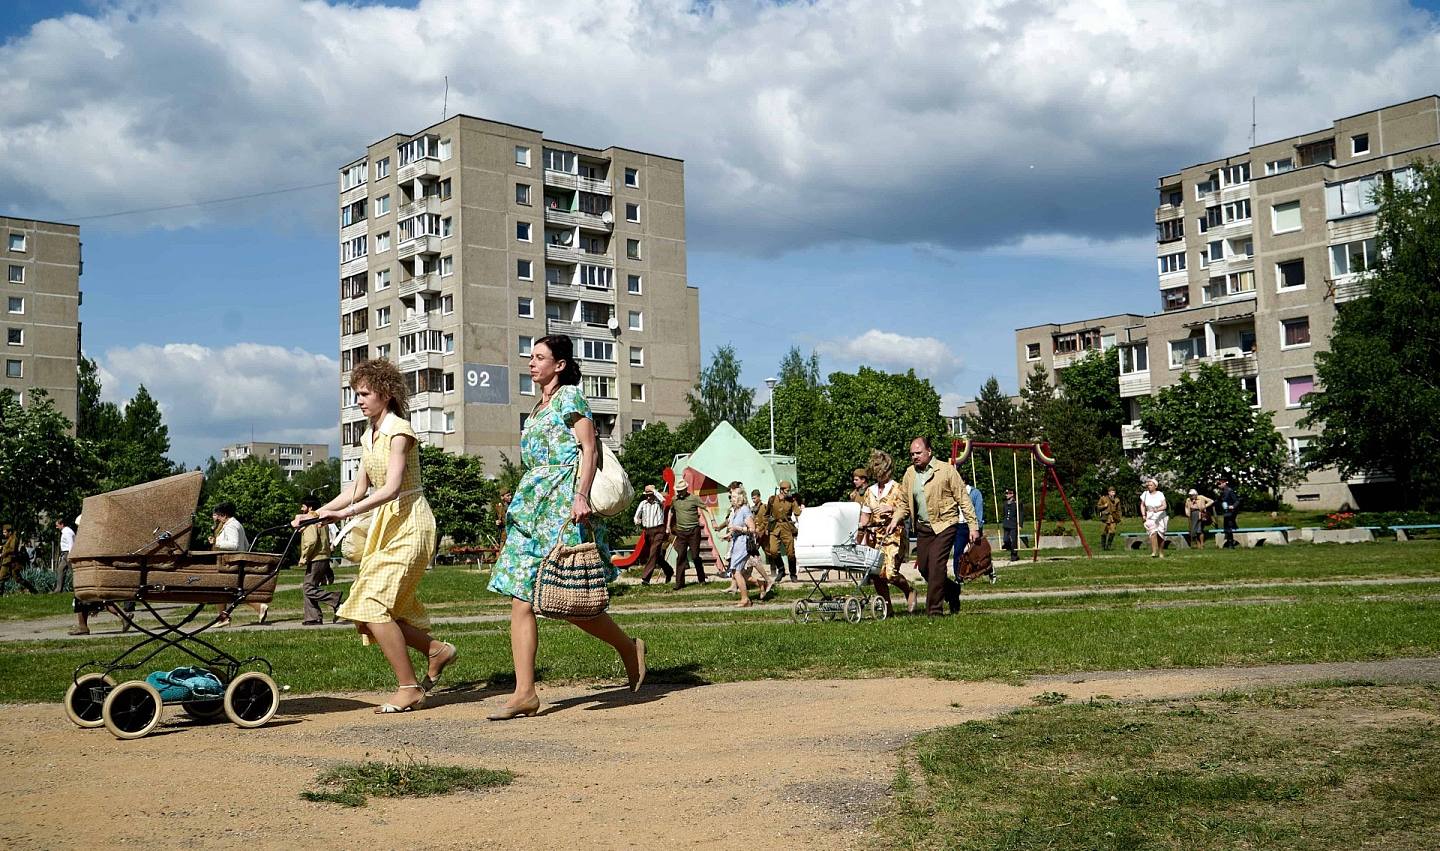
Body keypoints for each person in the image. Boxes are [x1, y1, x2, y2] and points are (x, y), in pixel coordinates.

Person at [487, 335, 645, 720]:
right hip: (533, 507)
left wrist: (581, 495)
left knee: (571, 602)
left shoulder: (570, 397)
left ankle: (627, 647)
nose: (531, 363)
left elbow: (589, 448)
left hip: (563, 505)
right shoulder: (537, 407)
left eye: (540, 357)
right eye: (531, 357)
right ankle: (525, 692)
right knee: (520, 598)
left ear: (559, 365)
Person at [312, 359, 457, 713]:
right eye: (355, 393)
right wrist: (316, 514)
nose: (358, 400)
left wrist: (343, 514)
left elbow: (391, 488)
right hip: (387, 526)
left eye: (364, 393)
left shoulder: (400, 431)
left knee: (374, 605)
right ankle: (437, 650)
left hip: (412, 524)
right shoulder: (368, 434)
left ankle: (409, 688)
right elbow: (356, 489)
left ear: (386, 393)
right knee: (365, 613)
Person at [890, 437, 977, 617]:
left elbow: (964, 499)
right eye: (912, 454)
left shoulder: (946, 471)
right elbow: (904, 503)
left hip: (945, 524)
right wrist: (895, 519)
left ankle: (934, 611)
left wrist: (973, 526)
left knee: (936, 566)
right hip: (923, 528)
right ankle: (951, 589)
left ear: (929, 451)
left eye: (918, 453)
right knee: (924, 568)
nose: (915, 457)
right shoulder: (910, 474)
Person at [858, 450, 917, 614]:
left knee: (890, 573)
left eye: (882, 473)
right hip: (874, 536)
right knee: (877, 574)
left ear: (889, 471)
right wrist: (860, 530)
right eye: (877, 474)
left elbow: (908, 510)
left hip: (894, 535)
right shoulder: (869, 491)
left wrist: (891, 508)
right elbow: (865, 515)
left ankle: (909, 591)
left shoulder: (898, 488)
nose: (880, 477)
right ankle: (887, 608)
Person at [211, 502, 269, 627]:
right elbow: (246, 545)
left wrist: (217, 543)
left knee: (221, 589)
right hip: (235, 562)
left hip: (230, 563)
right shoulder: (236, 524)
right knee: (227, 590)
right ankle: (257, 608)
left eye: (219, 516)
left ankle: (225, 617)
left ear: (225, 515)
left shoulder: (231, 526)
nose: (218, 519)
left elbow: (234, 544)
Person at [295, 495, 343, 625]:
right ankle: (313, 617)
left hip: (316, 558)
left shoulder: (311, 520)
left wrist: (304, 557)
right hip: (323, 557)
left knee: (308, 588)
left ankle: (335, 599)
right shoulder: (321, 519)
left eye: (303, 506)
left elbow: (311, 541)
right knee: (309, 586)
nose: (301, 508)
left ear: (310, 507)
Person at [721, 489, 759, 607]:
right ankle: (762, 584)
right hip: (737, 543)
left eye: (733, 497)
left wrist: (738, 528)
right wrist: (729, 535)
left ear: (740, 498)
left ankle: (745, 599)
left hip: (743, 543)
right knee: (737, 571)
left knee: (736, 571)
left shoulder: (744, 510)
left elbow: (752, 529)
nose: (731, 499)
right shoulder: (736, 511)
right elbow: (735, 528)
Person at [667, 479, 708, 588]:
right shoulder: (674, 500)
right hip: (681, 532)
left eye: (681, 490)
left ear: (686, 489)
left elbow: (706, 508)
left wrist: (712, 521)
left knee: (695, 556)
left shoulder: (694, 498)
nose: (679, 492)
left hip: (694, 531)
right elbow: (671, 512)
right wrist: (668, 526)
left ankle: (701, 578)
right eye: (678, 490)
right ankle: (679, 584)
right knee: (681, 556)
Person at [951, 470, 990, 583]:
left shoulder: (974, 493)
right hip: (959, 525)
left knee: (978, 553)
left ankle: (988, 570)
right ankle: (958, 576)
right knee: (958, 551)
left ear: (963, 480)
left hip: (971, 525)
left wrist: (977, 527)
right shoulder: (954, 493)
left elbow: (978, 511)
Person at [632, 484, 673, 585]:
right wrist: (637, 521)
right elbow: (636, 517)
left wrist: (654, 491)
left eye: (650, 494)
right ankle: (669, 571)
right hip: (648, 532)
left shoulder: (659, 502)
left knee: (653, 552)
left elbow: (663, 500)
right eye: (647, 495)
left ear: (654, 494)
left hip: (659, 530)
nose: (649, 497)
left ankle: (646, 579)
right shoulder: (643, 503)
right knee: (656, 556)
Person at [765, 480, 803, 581]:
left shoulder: (792, 501)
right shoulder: (772, 500)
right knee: (772, 551)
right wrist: (766, 527)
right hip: (775, 527)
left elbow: (798, 513)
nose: (789, 492)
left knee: (790, 553)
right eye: (787, 490)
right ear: (781, 490)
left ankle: (793, 573)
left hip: (787, 527)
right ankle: (781, 570)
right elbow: (766, 514)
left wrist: (800, 506)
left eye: (789, 490)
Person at [0, 523, 37, 594]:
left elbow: (12, 549)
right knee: (5, 577)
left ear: (9, 532)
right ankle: (33, 590)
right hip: (7, 561)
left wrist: (3, 553)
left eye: (5, 532)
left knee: (15, 579)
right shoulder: (9, 539)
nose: (4, 534)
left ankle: (33, 590)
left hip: (11, 561)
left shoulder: (14, 539)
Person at [1139, 479, 1169, 559]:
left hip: (1160, 515)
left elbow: (1164, 505)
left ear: (1155, 486)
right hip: (1150, 515)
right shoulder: (1145, 494)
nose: (1149, 487)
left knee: (1160, 534)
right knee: (1152, 533)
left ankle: (1161, 551)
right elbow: (1142, 505)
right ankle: (1154, 551)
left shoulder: (1160, 494)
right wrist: (1143, 515)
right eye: (1148, 485)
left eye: (1151, 485)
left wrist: (1157, 510)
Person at [1096, 487, 1123, 551]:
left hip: (1113, 518)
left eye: (1114, 492)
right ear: (1108, 492)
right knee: (1103, 533)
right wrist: (1104, 506)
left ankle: (1109, 546)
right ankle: (1103, 546)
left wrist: (1119, 517)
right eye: (1111, 492)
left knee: (1112, 532)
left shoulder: (1117, 500)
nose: (1113, 493)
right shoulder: (1103, 498)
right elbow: (1098, 507)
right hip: (1105, 518)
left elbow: (1119, 510)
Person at [1217, 476, 1240, 548]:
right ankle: (1229, 542)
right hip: (1226, 512)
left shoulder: (1229, 491)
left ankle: (1231, 544)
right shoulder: (1222, 492)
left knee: (1229, 525)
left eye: (1219, 483)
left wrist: (1232, 506)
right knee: (1226, 527)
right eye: (1218, 484)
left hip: (1231, 512)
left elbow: (1237, 501)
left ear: (1224, 483)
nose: (1218, 485)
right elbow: (1219, 501)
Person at [55, 518, 75, 593]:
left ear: (62, 524)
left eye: (57, 525)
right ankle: (58, 589)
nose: (56, 527)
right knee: (60, 569)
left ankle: (77, 588)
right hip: (65, 554)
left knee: (73, 571)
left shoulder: (67, 532)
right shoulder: (65, 531)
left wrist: (70, 555)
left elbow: (71, 544)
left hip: (68, 553)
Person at [1000, 487, 1021, 561]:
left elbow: (1020, 514)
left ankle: (1014, 555)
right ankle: (1009, 547)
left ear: (1012, 494)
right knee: (1005, 539)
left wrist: (1020, 524)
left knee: (1014, 540)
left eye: (1007, 493)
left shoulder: (1017, 503)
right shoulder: (1005, 503)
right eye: (1006, 493)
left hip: (1013, 524)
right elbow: (1004, 513)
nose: (1006, 495)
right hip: (1006, 524)